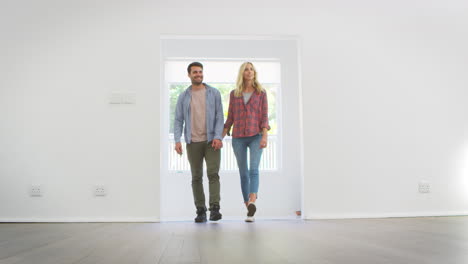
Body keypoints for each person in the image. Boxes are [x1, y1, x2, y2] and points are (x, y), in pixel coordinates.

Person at [174, 62, 224, 223]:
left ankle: (214, 209)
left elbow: (219, 116)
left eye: (200, 72)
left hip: (211, 141)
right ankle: (200, 210)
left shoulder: (214, 93)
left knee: (213, 174)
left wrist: (218, 137)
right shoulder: (183, 96)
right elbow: (178, 120)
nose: (198, 74)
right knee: (196, 176)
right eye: (195, 72)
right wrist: (177, 140)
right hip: (192, 141)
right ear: (189, 75)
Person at [223, 62, 270, 222]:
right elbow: (230, 118)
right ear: (242, 73)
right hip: (238, 138)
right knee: (243, 173)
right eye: (246, 70)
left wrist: (265, 136)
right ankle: (249, 209)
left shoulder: (261, 93)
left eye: (251, 69)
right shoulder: (234, 94)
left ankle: (252, 202)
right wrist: (220, 137)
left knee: (253, 170)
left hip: (256, 135)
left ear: (254, 73)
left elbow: (264, 117)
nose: (249, 72)